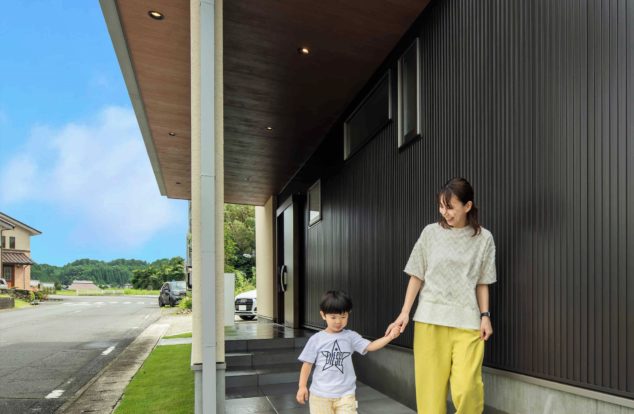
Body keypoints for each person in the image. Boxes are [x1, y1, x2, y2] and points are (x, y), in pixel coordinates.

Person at [386, 177, 496, 414]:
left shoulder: (484, 238)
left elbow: (482, 282)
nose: (444, 212)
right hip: (429, 320)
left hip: (467, 321)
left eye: (450, 207)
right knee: (430, 394)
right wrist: (404, 312)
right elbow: (417, 275)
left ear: (467, 206)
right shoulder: (430, 233)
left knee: (468, 388)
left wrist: (485, 315)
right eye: (441, 206)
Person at [296, 290, 399, 413]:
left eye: (343, 317)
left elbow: (371, 346)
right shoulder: (316, 339)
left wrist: (390, 337)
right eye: (333, 317)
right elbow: (307, 364)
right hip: (320, 396)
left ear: (348, 314)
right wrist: (302, 386)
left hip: (346, 395)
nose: (338, 321)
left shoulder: (350, 336)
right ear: (323, 315)